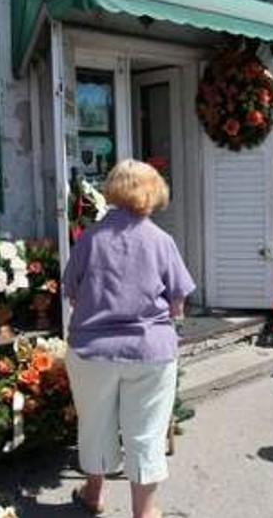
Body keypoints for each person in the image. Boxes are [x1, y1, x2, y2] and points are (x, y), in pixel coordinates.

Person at [62, 159, 194, 518]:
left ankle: (93, 494)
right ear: (153, 194)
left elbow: (72, 293)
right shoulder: (161, 241)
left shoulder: (90, 238)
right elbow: (178, 299)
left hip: (93, 351)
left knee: (94, 424)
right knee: (146, 434)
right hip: (150, 350)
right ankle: (144, 512)